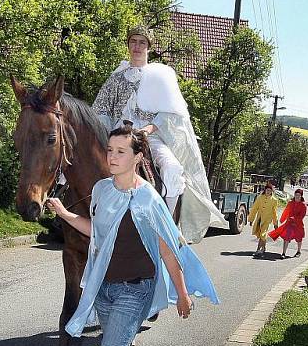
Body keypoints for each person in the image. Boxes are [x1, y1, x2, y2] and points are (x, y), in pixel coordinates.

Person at [46, 124, 219, 346]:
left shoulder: (149, 199)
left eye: (120, 152)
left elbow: (168, 249)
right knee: (123, 345)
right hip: (105, 289)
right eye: (110, 150)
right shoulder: (101, 191)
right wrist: (66, 214)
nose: (112, 157)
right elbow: (98, 233)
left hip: (135, 290)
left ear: (138, 158)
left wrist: (182, 293)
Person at [92, 24, 226, 243]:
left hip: (149, 136)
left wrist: (149, 129)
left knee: (173, 168)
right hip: (117, 136)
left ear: (149, 47)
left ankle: (167, 227)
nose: (137, 46)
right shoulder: (116, 79)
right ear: (128, 45)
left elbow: (170, 113)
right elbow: (102, 111)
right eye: (133, 41)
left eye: (142, 42)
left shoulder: (159, 77)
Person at [269, 188, 307, 258]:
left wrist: (295, 218)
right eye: (296, 195)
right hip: (289, 223)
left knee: (299, 238)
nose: (297, 196)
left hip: (298, 224)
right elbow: (286, 211)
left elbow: (302, 215)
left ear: (301, 196)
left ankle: (298, 251)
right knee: (286, 237)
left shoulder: (303, 205)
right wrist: (282, 219)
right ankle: (283, 253)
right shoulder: (290, 203)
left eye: (299, 195)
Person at [247, 183, 279, 258]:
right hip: (259, 218)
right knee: (259, 234)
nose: (268, 192)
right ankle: (263, 248)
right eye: (267, 190)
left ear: (272, 191)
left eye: (270, 191)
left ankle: (258, 249)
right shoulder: (260, 197)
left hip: (267, 220)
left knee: (263, 234)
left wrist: (275, 223)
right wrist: (251, 219)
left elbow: (274, 212)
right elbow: (254, 208)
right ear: (265, 190)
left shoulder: (274, 200)